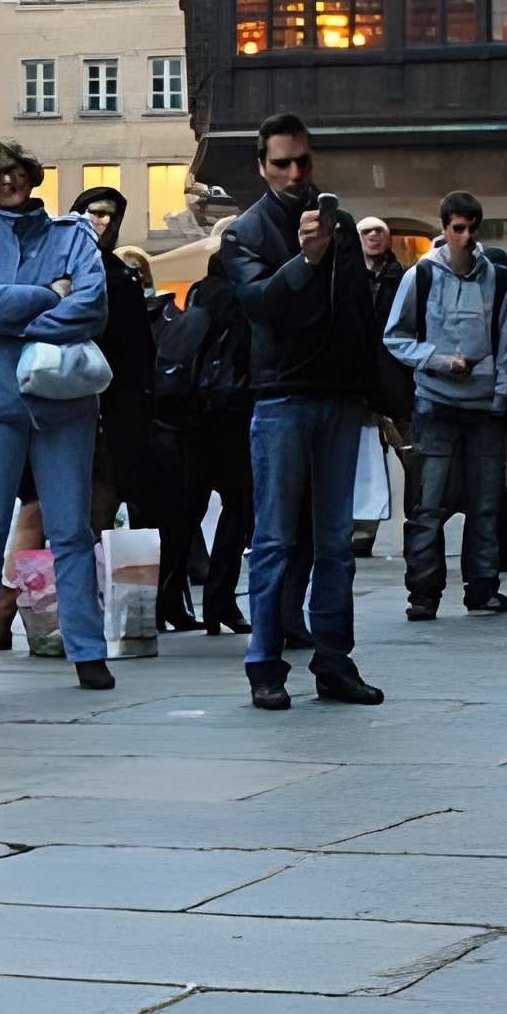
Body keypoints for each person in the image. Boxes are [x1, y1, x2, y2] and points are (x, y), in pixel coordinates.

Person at [214, 114, 383, 710]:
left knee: (336, 541)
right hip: (281, 394)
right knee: (275, 539)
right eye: (281, 163)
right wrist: (305, 261)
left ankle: (334, 660)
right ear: (262, 166)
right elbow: (259, 304)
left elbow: (362, 313)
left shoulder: (337, 223)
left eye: (302, 162)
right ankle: (265, 662)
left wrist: (379, 400)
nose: (293, 173)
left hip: (338, 396)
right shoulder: (246, 231)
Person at [0, 143, 115, 696]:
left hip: (63, 400)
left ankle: (87, 652)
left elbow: (91, 306)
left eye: (18, 170)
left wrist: (16, 323)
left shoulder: (72, 233)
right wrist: (47, 295)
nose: (12, 180)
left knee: (72, 530)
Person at [381, 192, 507, 619]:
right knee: (428, 504)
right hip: (436, 401)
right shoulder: (421, 275)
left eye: (472, 228)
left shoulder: (496, 276)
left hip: (482, 405)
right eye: (458, 228)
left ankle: (481, 587)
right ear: (444, 229)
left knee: (486, 502)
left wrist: (500, 395)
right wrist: (438, 361)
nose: (466, 237)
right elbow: (394, 336)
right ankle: (423, 593)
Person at [155, 257, 257, 634]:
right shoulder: (244, 296)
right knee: (237, 509)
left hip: (191, 419)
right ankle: (220, 600)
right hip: (232, 415)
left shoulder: (200, 292)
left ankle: (164, 598)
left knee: (185, 514)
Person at [73, 185, 160, 539]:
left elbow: (139, 348)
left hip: (116, 405)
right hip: (69, 398)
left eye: (111, 215)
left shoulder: (120, 275)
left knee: (107, 494)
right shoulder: (61, 265)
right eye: (95, 212)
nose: (103, 222)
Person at [356, 216, 408, 557]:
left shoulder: (401, 278)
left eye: (379, 232)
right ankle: (360, 535)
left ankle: (420, 525)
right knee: (362, 463)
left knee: (411, 455)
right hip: (360, 384)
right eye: (366, 232)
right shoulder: (348, 279)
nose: (373, 237)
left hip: (397, 383)